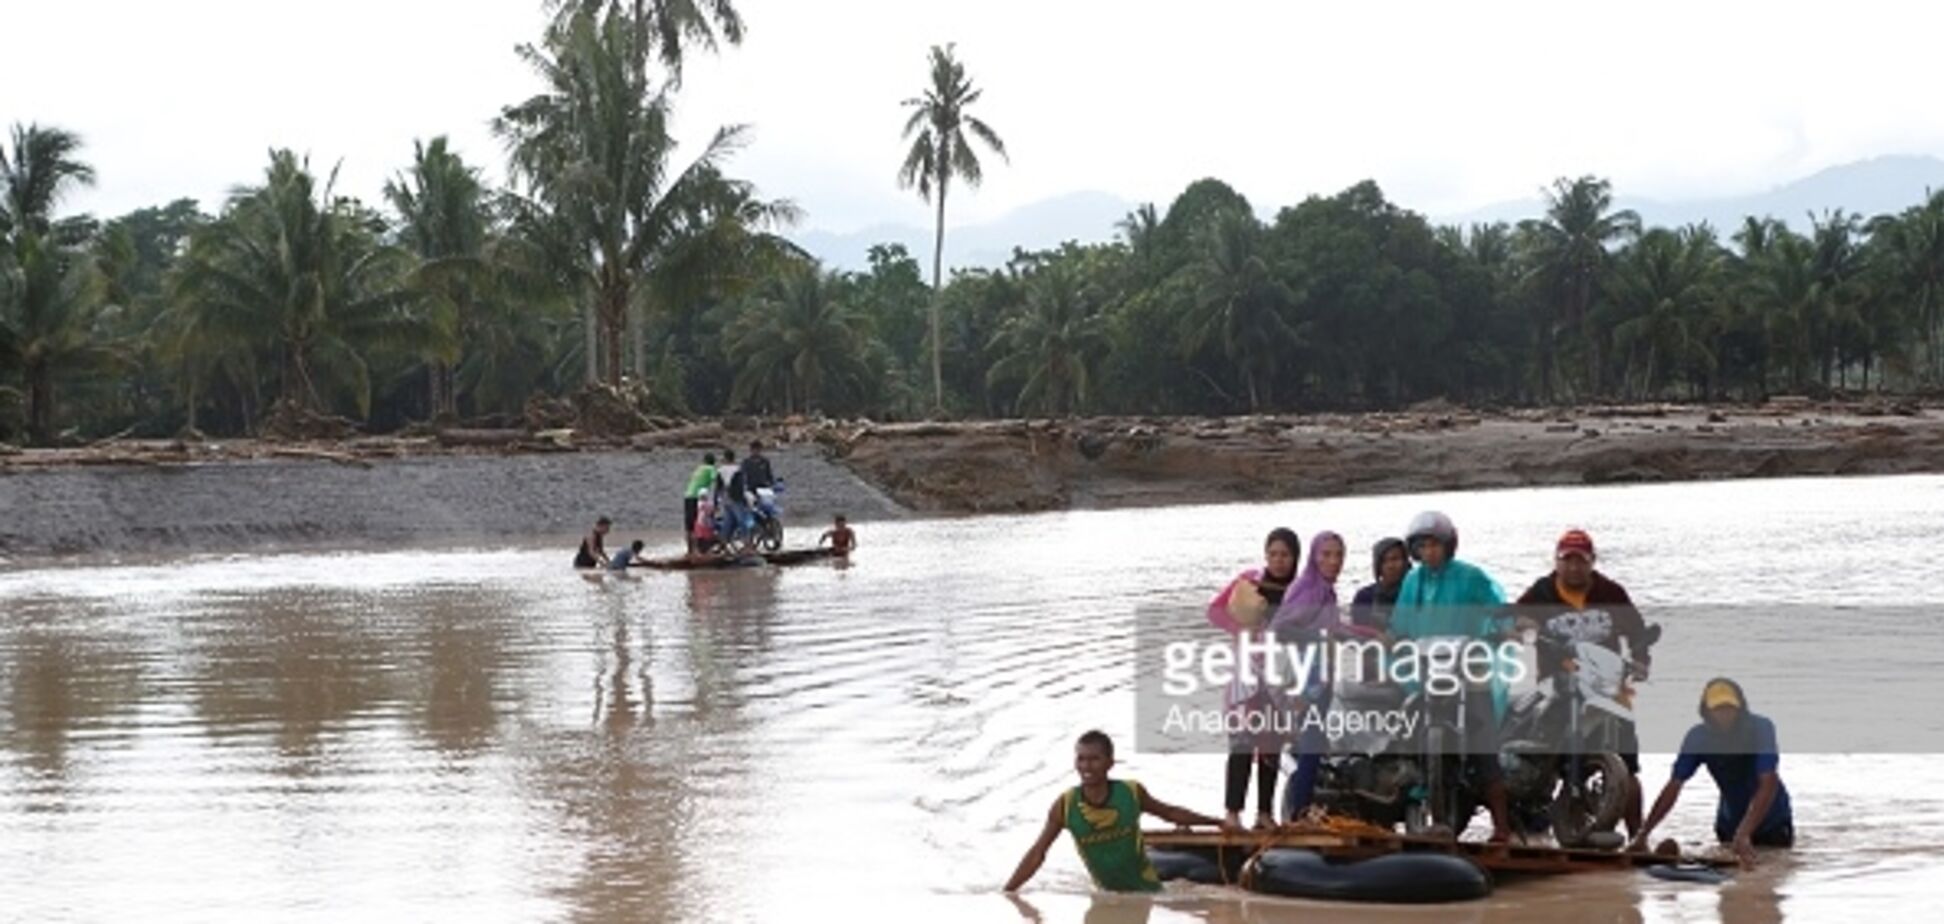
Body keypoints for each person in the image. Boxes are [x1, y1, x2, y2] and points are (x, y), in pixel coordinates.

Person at [1514, 528, 1656, 836]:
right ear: (1557, 562)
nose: (1574, 567)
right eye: (1567, 560)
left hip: (1608, 685)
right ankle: (1536, 806)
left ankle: (1639, 836)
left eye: (1581, 560)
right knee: (1545, 750)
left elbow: (1637, 631)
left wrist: (1642, 660)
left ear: (1592, 561)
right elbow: (1510, 618)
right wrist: (1520, 625)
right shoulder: (1541, 592)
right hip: (1558, 683)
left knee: (1628, 764)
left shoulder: (1611, 593)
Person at [1390, 510, 1515, 842]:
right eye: (1422, 547)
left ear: (1448, 545)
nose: (1428, 552)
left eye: (1434, 545)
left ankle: (1502, 827)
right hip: (1426, 669)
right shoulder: (1412, 581)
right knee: (1409, 722)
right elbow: (1401, 625)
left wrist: (1502, 628)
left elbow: (1496, 605)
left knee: (1484, 741)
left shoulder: (1470, 576)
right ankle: (1412, 780)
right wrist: (1391, 639)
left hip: (1468, 669)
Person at [1003, 730, 1227, 893]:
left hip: (1147, 893)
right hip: (1106, 894)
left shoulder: (1130, 793)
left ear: (1110, 763)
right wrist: (1008, 891)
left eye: (1094, 759)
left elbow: (1169, 813)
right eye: (1081, 759)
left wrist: (1216, 822)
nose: (1086, 767)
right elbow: (1038, 853)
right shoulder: (1065, 805)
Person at [1631, 678, 1793, 868]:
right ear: (1706, 711)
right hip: (1728, 825)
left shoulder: (1761, 728)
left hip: (1772, 822)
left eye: (1729, 708)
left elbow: (1768, 781)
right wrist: (1643, 834)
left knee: (1764, 879)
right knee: (1730, 884)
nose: (1725, 715)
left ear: (1740, 708)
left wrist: (1745, 832)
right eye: (1718, 709)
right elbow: (1674, 785)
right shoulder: (1698, 737)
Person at [1206, 528, 1301, 830]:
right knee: (1242, 743)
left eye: (1285, 555)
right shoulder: (1250, 580)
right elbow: (1215, 611)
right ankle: (1232, 814)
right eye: (1273, 554)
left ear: (1295, 557)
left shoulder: (1299, 590)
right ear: (1265, 555)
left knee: (1271, 743)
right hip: (1246, 674)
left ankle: (1264, 813)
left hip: (1279, 674)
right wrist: (1239, 629)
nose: (1278, 561)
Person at [1272, 530, 1347, 820]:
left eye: (1339, 555)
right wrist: (1317, 638)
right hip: (1306, 681)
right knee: (1313, 746)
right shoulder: (1309, 588)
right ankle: (1299, 816)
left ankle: (1304, 808)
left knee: (1312, 746)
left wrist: (1368, 636)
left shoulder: (1326, 591)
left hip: (1320, 680)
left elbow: (1334, 631)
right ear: (1314, 557)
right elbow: (1280, 629)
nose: (1333, 561)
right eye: (1326, 554)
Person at [1348, 537, 1408, 631]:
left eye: (1395, 559)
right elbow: (1358, 635)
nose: (1390, 566)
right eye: (1384, 561)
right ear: (1377, 566)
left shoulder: (1416, 592)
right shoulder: (1364, 597)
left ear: (1406, 562)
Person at [683, 453, 718, 553]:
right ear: (713, 462)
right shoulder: (711, 468)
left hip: (688, 495)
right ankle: (698, 549)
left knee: (689, 524)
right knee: (698, 522)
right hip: (697, 497)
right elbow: (716, 480)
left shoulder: (698, 469)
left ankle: (690, 550)